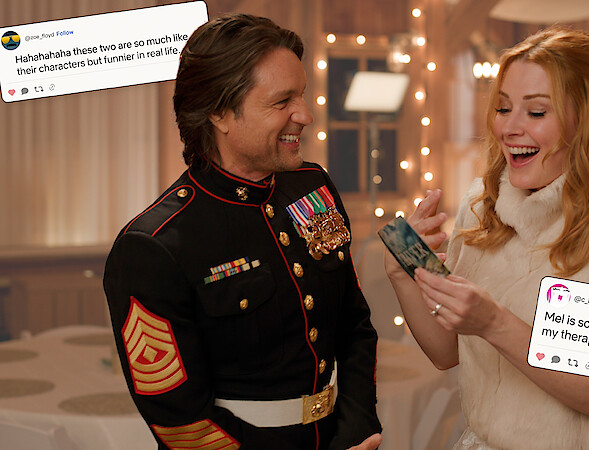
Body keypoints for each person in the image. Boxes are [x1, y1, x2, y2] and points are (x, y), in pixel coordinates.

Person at [385, 26, 589, 449]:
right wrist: (407, 271)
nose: (509, 127)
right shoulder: (482, 203)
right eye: (503, 108)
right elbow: (446, 352)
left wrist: (496, 324)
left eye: (537, 112)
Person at [104, 14, 381, 450]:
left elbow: (355, 326)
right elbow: (182, 421)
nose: (305, 115)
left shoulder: (313, 186)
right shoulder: (154, 246)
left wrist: (357, 429)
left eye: (302, 95)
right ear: (219, 112)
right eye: (281, 101)